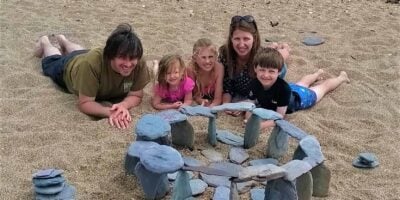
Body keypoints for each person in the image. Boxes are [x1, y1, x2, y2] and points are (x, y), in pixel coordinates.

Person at [34, 23, 150, 129]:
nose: (128, 64)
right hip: (68, 68)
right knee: (53, 59)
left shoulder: (139, 62)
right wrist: (110, 112)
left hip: (85, 55)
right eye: (123, 58)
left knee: (81, 51)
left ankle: (63, 40)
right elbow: (85, 103)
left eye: (132, 59)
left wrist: (123, 105)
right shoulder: (91, 64)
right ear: (110, 56)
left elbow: (136, 95)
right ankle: (45, 42)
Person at [246, 48, 350, 130]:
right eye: (262, 70)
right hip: (290, 89)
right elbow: (249, 106)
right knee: (303, 82)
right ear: (255, 68)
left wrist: (261, 125)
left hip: (300, 99)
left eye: (271, 71)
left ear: (279, 71)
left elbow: (279, 117)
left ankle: (341, 78)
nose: (265, 75)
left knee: (323, 88)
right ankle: (317, 74)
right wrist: (248, 119)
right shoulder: (254, 83)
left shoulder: (283, 89)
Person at [218, 15, 291, 113]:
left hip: (269, 67)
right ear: (231, 38)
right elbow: (227, 85)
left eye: (246, 39)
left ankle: (284, 48)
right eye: (237, 39)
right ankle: (273, 46)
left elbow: (262, 93)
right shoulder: (224, 53)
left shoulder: (260, 57)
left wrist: (241, 105)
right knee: (269, 52)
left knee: (278, 57)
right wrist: (226, 105)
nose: (241, 44)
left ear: (254, 38)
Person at [187, 38, 224, 107]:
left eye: (210, 57)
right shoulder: (191, 69)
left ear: (215, 57)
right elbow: (195, 95)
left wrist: (211, 107)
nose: (207, 61)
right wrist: (200, 101)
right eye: (203, 57)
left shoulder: (219, 68)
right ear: (195, 58)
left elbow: (218, 99)